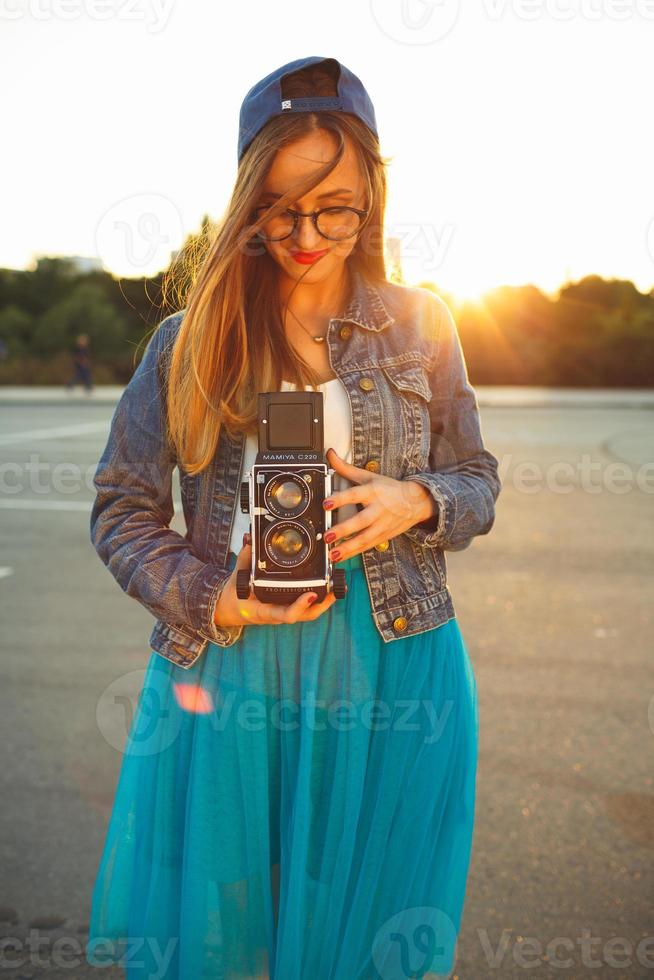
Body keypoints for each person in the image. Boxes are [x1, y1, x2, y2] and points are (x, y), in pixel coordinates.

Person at [86, 56, 501, 979]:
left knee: (365, 933)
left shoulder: (423, 323)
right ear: (246, 201)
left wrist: (416, 499)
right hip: (235, 662)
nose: (309, 233)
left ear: (372, 199)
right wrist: (212, 595)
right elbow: (121, 508)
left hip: (398, 658)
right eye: (280, 207)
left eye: (336, 207)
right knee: (232, 936)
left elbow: (478, 478)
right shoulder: (187, 339)